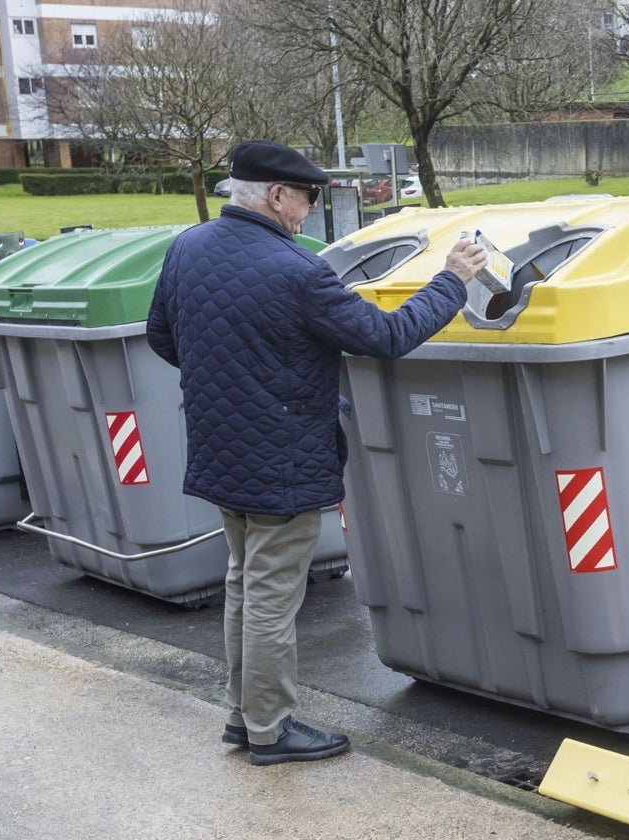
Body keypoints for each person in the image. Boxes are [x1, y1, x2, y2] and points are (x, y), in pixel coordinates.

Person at [146, 139, 487, 766]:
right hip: (282, 456)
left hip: (221, 448)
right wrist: (452, 280)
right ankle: (270, 730)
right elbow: (386, 337)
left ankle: (242, 716)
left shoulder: (188, 247)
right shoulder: (296, 272)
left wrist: (234, 379)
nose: (307, 212)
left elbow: (162, 335)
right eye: (306, 199)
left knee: (245, 583)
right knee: (271, 594)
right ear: (277, 195)